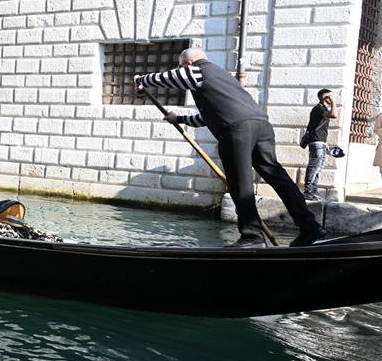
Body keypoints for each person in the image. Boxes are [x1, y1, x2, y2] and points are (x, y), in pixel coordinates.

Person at [135, 47, 326, 248]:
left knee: (240, 182)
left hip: (237, 130)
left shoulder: (198, 69)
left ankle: (252, 236)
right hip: (261, 126)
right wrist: (180, 119)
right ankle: (310, 227)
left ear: (188, 63)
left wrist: (143, 79)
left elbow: (177, 76)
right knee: (278, 178)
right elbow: (211, 115)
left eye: (181, 66)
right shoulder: (223, 78)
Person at [301, 89, 338, 200]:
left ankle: (312, 191)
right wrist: (333, 101)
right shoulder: (318, 108)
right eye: (330, 96)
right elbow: (334, 114)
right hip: (316, 144)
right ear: (325, 97)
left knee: (318, 168)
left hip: (320, 143)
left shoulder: (322, 109)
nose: (333, 97)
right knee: (314, 167)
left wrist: (324, 143)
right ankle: (308, 192)